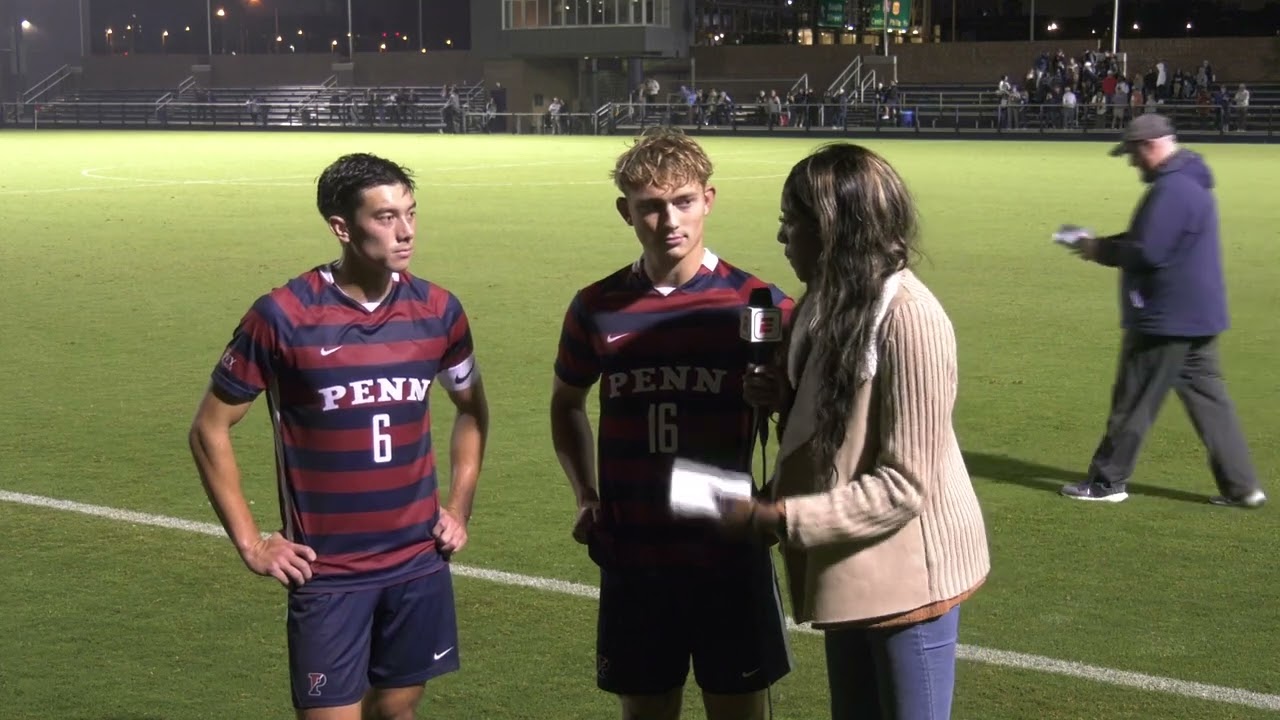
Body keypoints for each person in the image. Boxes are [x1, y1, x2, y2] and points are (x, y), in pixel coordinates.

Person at [188, 153, 490, 720]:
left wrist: (459, 508)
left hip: (418, 564)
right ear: (342, 227)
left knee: (397, 711)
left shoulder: (440, 310)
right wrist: (252, 542)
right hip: (329, 574)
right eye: (384, 217)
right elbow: (210, 429)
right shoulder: (282, 316)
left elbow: (472, 409)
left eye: (411, 213)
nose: (404, 231)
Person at [713, 143, 991, 720]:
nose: (782, 239)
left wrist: (781, 518)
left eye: (792, 224)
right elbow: (837, 435)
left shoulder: (909, 317)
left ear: (835, 230)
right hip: (851, 563)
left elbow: (904, 484)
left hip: (913, 581)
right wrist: (785, 399)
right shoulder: (824, 301)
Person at [550, 127, 794, 720]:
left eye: (683, 201)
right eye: (650, 207)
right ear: (625, 212)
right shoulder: (596, 305)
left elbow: (809, 416)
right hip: (634, 546)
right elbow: (566, 402)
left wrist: (782, 490)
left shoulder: (760, 303)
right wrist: (585, 494)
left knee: (738, 707)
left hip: (727, 547)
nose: (668, 220)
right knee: (645, 707)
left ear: (708, 199)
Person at [1061, 113, 1265, 508]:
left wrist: (1097, 250)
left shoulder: (1173, 189)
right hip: (1198, 316)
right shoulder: (1191, 181)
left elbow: (1148, 251)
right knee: (1212, 405)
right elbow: (1152, 239)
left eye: (1133, 153)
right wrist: (1099, 242)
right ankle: (1243, 488)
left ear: (1150, 145)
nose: (1131, 162)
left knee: (1133, 401)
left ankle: (1107, 482)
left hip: (1166, 318)